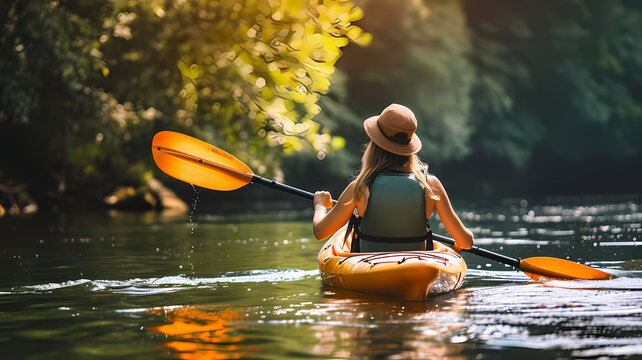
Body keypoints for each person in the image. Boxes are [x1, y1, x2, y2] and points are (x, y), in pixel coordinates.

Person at [313, 103, 473, 253]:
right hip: (417, 267)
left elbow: (320, 232)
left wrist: (320, 205)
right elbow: (466, 241)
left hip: (370, 269)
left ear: (374, 145)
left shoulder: (359, 187)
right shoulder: (431, 185)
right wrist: (457, 247)